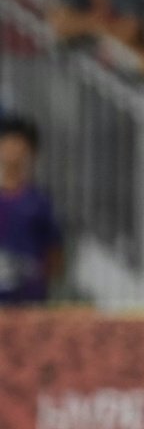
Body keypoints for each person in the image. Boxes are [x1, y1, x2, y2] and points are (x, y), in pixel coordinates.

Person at [0, 115, 63, 305]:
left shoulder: (39, 202)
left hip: (29, 303)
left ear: (30, 151)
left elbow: (55, 255)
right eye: (8, 143)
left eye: (19, 144)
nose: (13, 151)